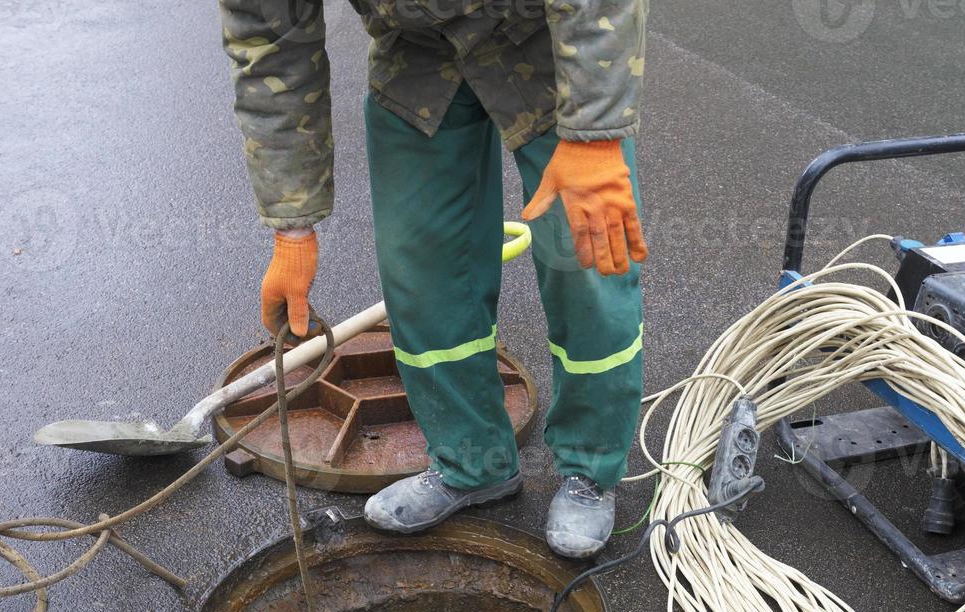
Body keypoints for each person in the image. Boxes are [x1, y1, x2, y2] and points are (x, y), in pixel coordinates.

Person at [220, 0, 648, 558]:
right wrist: (291, 229)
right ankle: (472, 461)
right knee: (422, 269)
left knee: (587, 263)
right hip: (417, 54)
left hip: (548, 42)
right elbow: (270, 43)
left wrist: (595, 134)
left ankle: (591, 469)